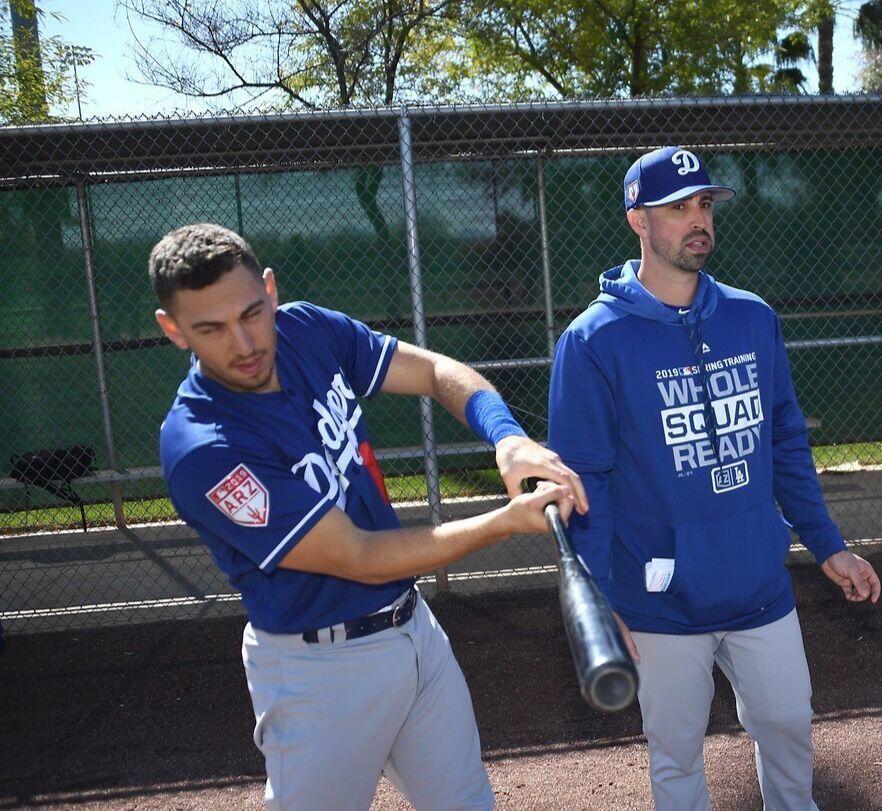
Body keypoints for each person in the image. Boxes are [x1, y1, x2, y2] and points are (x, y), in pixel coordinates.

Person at [151, 223, 584, 810]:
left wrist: (507, 439)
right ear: (173, 330)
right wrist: (502, 521)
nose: (245, 342)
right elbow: (358, 555)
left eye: (252, 313)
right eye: (211, 329)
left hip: (413, 630)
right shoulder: (203, 448)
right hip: (318, 673)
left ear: (271, 291)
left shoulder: (304, 330)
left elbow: (435, 372)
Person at [547, 146, 881, 811]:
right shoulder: (592, 341)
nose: (698, 220)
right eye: (678, 208)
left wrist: (827, 542)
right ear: (637, 220)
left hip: (757, 584)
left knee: (788, 726)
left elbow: (785, 439)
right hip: (658, 599)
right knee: (675, 753)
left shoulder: (753, 318)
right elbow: (586, 481)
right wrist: (600, 595)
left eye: (704, 204)